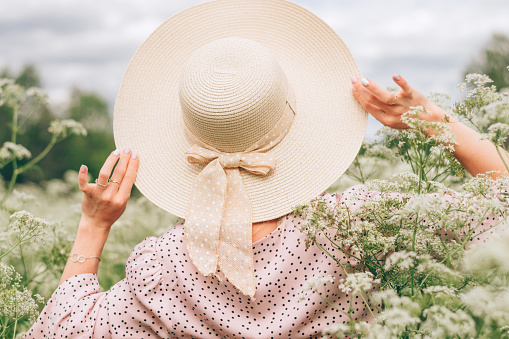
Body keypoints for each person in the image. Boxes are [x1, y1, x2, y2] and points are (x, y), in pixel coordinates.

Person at [24, 0, 507, 338]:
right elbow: (500, 199)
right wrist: (431, 119)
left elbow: (65, 328)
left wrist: (93, 226)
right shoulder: (360, 227)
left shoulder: (163, 268)